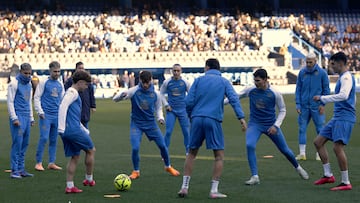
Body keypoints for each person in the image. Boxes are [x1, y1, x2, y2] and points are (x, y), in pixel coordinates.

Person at [177, 58, 247, 199]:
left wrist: (192, 116)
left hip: (197, 118)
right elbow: (234, 99)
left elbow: (188, 101)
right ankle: (214, 190)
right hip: (213, 119)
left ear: (207, 67)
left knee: (191, 153)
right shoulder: (224, 82)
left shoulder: (198, 80)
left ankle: (184, 187)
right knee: (219, 156)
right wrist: (241, 118)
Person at [235, 69, 309, 186]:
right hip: (255, 124)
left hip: (271, 125)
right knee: (250, 145)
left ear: (265, 80)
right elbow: (235, 97)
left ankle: (298, 167)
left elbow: (283, 110)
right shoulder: (251, 90)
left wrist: (276, 125)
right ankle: (255, 176)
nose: (256, 83)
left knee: (284, 150)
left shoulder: (275, 93)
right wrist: (220, 103)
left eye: (258, 80)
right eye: (254, 80)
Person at [113, 70, 180, 180]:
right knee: (135, 148)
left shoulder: (156, 94)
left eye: (147, 83)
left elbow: (158, 108)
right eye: (143, 82)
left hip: (151, 124)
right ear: (139, 80)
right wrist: (121, 95)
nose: (145, 85)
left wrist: (160, 118)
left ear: (151, 81)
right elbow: (115, 99)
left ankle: (168, 166)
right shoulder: (134, 91)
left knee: (163, 146)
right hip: (137, 124)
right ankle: (136, 171)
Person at [313, 52, 355, 191]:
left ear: (340, 63)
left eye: (333, 64)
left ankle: (345, 182)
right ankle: (328, 175)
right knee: (318, 142)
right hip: (338, 117)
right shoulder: (343, 77)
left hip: (344, 117)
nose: (331, 67)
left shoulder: (347, 78)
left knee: (337, 147)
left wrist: (323, 98)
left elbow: (344, 96)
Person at [58, 70, 96, 194]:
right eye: (86, 85)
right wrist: (61, 127)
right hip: (72, 130)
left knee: (75, 156)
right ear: (80, 82)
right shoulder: (73, 92)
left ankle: (69, 186)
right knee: (91, 150)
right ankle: (89, 179)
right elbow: (63, 106)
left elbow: (72, 115)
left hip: (69, 130)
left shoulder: (70, 92)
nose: (86, 88)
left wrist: (84, 129)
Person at [295, 52, 330, 161]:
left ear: (315, 61)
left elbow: (326, 90)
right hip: (304, 106)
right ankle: (302, 154)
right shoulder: (302, 73)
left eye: (310, 62)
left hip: (317, 106)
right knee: (302, 129)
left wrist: (323, 104)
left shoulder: (322, 73)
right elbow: (298, 90)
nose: (308, 64)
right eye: (307, 62)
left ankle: (319, 154)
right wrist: (298, 104)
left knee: (320, 130)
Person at [34, 61, 64, 171]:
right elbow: (37, 97)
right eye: (55, 71)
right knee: (44, 138)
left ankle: (51, 162)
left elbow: (62, 100)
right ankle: (38, 162)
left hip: (56, 115)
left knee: (53, 139)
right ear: (50, 71)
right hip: (46, 115)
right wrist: (40, 111)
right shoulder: (44, 82)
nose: (57, 73)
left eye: (58, 71)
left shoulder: (60, 84)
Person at [7, 63, 35, 179]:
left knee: (25, 143)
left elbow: (29, 102)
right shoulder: (14, 83)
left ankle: (21, 168)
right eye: (25, 73)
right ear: (20, 72)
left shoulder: (29, 84)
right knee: (17, 144)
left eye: (29, 73)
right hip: (18, 117)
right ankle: (14, 170)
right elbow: (10, 101)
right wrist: (14, 117)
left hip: (26, 117)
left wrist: (31, 117)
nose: (28, 76)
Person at [160, 64, 191, 154]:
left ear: (181, 71)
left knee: (186, 132)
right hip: (171, 111)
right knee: (168, 131)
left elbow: (191, 94)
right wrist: (166, 105)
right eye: (174, 71)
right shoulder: (167, 82)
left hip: (183, 110)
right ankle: (164, 152)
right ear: (172, 71)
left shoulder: (185, 82)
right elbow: (161, 94)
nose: (176, 73)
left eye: (178, 71)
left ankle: (188, 151)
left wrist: (188, 105)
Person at [64, 61, 96, 128]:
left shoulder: (87, 80)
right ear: (76, 69)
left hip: (85, 108)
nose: (81, 70)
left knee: (85, 127)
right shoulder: (70, 81)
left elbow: (91, 94)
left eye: (82, 68)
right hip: (74, 107)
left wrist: (93, 106)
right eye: (80, 68)